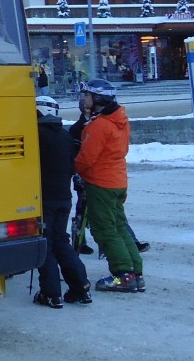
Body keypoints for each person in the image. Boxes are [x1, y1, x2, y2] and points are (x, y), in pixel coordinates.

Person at [74, 79, 144, 293]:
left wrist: (72, 169)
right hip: (117, 180)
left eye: (87, 95)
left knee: (105, 229)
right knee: (119, 226)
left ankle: (123, 274)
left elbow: (86, 158)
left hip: (100, 183)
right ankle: (135, 272)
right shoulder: (119, 120)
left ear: (98, 99)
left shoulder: (100, 126)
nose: (83, 99)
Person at [32, 96, 90, 308]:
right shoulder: (65, 136)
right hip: (64, 197)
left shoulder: (36, 136)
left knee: (45, 243)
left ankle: (51, 293)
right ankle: (80, 287)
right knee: (61, 241)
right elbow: (72, 166)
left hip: (43, 197)